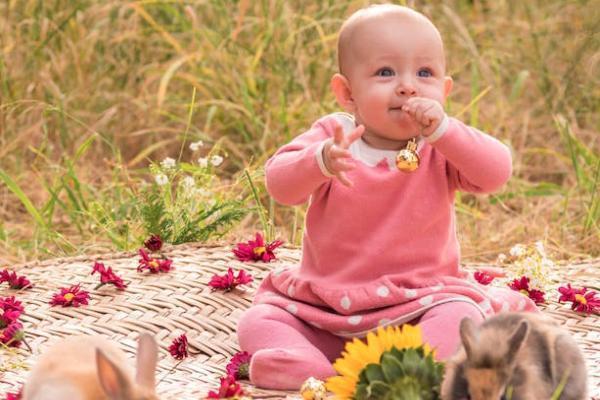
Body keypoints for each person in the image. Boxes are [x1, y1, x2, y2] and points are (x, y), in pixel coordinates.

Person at [237, 3, 537, 390]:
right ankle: (307, 365)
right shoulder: (335, 137)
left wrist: (445, 130)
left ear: (444, 90)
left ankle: (423, 363)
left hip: (421, 303)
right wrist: (321, 161)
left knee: (459, 316)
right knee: (260, 320)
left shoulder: (440, 147)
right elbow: (279, 185)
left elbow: (497, 172)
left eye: (424, 73)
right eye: (385, 72)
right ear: (347, 93)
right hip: (326, 307)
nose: (408, 86)